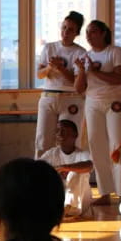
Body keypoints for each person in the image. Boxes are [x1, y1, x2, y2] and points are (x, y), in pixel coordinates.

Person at [74, 20, 121, 206]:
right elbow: (79, 88)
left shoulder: (116, 52)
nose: (89, 36)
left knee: (118, 145)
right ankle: (105, 192)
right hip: (92, 103)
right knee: (96, 146)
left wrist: (93, 71)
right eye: (87, 32)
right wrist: (82, 71)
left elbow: (118, 78)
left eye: (94, 32)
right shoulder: (85, 56)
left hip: (115, 102)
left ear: (104, 33)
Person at [35, 11, 86, 159]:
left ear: (76, 33)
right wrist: (50, 67)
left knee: (69, 141)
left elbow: (77, 82)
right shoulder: (49, 48)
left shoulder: (80, 52)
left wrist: (61, 68)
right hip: (48, 96)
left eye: (70, 29)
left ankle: (71, 179)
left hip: (71, 97)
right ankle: (39, 178)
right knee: (43, 140)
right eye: (64, 27)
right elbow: (39, 74)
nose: (66, 32)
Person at [40, 119, 93, 219]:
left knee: (75, 173)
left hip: (81, 202)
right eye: (57, 131)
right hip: (59, 199)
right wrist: (54, 172)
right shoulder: (51, 153)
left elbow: (89, 165)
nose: (60, 133)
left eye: (64, 130)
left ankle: (70, 208)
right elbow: (36, 168)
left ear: (75, 135)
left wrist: (65, 168)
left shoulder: (82, 154)